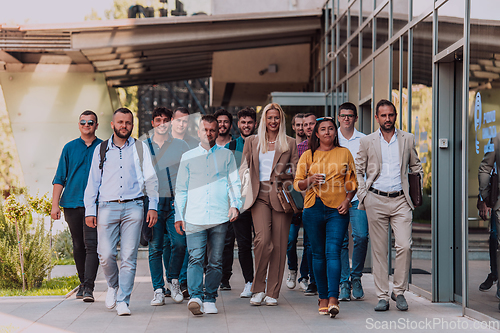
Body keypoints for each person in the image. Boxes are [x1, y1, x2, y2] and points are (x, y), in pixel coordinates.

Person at [84, 108, 159, 316]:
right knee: (105, 254)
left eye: (127, 122)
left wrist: (152, 206)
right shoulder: (101, 149)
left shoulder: (140, 148)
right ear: (112, 124)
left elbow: (152, 180)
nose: (123, 126)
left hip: (134, 207)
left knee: (129, 257)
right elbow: (93, 183)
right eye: (120, 122)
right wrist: (90, 210)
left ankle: (123, 300)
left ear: (132, 125)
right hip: (106, 207)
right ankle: (113, 285)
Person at [355, 99, 423, 312]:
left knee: (404, 245)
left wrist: (415, 187)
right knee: (379, 250)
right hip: (375, 199)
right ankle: (383, 296)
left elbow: (416, 166)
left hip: (401, 200)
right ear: (377, 118)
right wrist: (364, 195)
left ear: (395, 116)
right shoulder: (367, 141)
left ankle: (399, 291)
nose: (387, 119)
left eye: (391, 115)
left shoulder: (407, 139)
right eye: (383, 115)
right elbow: (358, 169)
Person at [175, 115, 242, 316]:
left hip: (220, 215)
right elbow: (181, 189)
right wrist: (179, 214)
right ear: (199, 132)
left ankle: (210, 296)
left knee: (215, 260)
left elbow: (234, 183)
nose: (209, 133)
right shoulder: (187, 156)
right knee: (195, 258)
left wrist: (235, 205)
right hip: (194, 216)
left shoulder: (226, 155)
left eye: (212, 130)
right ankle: (196, 296)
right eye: (205, 130)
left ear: (217, 131)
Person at [294, 116, 357, 318]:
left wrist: (347, 200)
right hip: (312, 208)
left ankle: (333, 298)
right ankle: (322, 297)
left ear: (335, 132)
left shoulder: (344, 153)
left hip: (337, 210)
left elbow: (352, 182)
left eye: (331, 128)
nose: (328, 132)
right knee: (318, 254)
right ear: (317, 133)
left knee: (333, 252)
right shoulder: (308, 155)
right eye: (323, 129)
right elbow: (297, 184)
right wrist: (310, 180)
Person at [240, 103, 299, 306]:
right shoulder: (252, 141)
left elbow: (296, 171)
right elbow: (244, 169)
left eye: (277, 118)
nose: (273, 121)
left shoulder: (289, 143)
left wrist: (287, 179)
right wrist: (242, 194)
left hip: (281, 195)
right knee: (263, 241)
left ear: (281, 120)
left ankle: (273, 291)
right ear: (264, 119)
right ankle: (258, 288)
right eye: (270, 117)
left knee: (280, 244)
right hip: (259, 195)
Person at [51, 110, 102, 302]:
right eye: (83, 122)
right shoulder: (69, 148)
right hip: (71, 203)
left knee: (92, 245)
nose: (87, 125)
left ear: (96, 125)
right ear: (79, 125)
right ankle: (83, 283)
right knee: (78, 245)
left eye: (91, 122)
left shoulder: (104, 147)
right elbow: (59, 178)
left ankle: (88, 287)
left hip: (95, 206)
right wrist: (55, 205)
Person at [145, 107, 189, 306]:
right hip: (153, 204)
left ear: (171, 121)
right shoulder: (144, 146)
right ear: (153, 122)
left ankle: (174, 281)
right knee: (155, 248)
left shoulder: (181, 146)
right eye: (157, 120)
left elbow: (189, 173)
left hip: (174, 203)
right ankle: (158, 290)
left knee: (179, 243)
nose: (161, 123)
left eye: (165, 120)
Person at [222, 107, 257, 297]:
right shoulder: (232, 146)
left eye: (249, 122)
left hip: (260, 200)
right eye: (243, 122)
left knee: (262, 242)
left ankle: (261, 279)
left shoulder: (262, 144)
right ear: (238, 124)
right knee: (243, 244)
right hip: (239, 202)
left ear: (255, 124)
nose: (246, 125)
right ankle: (249, 282)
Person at [337, 102, 369, 301]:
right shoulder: (332, 139)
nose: (347, 118)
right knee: (341, 242)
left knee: (361, 237)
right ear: (338, 117)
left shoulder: (365, 140)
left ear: (356, 118)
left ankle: (356, 276)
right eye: (343, 115)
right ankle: (344, 282)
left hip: (359, 198)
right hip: (337, 199)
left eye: (350, 115)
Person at [293, 112, 318, 296]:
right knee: (296, 241)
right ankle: (300, 274)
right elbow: (297, 177)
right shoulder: (299, 148)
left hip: (322, 200)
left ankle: (308, 277)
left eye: (311, 124)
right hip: (302, 200)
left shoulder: (328, 147)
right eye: (305, 125)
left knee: (311, 242)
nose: (307, 127)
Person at [286, 112, 311, 291]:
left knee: (309, 241)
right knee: (290, 240)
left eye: (305, 125)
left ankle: (304, 275)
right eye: (298, 125)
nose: (302, 128)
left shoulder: (313, 147)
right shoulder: (286, 146)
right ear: (293, 127)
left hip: (310, 200)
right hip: (292, 202)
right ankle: (292, 270)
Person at [478, 133, 500, 309]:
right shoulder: (497, 138)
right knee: (496, 239)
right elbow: (486, 167)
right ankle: (496, 276)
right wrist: (486, 197)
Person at [477, 197, 498, 294]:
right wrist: (485, 200)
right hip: (497, 199)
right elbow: (485, 181)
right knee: (495, 236)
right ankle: (494, 274)